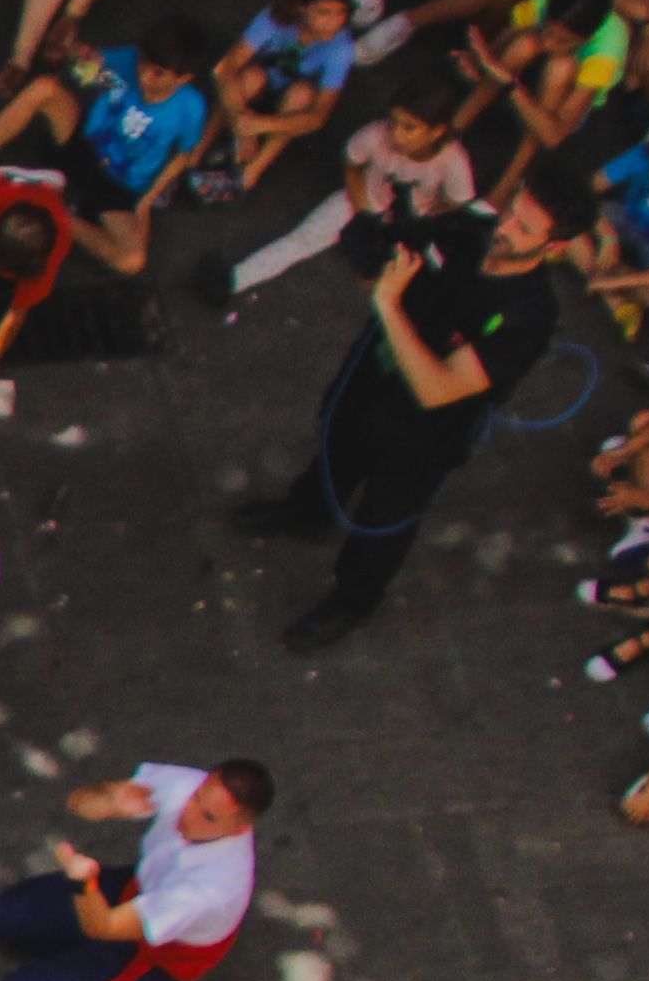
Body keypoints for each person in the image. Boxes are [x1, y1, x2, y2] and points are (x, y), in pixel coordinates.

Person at [234, 173, 569, 648]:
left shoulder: (529, 316)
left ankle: (353, 601)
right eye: (512, 211)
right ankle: (306, 512)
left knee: (382, 520)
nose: (506, 227)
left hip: (426, 432)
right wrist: (377, 243)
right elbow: (390, 255)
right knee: (335, 449)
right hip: (374, 380)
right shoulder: (469, 235)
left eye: (525, 228)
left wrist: (389, 306)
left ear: (555, 247)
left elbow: (439, 388)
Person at [0, 761, 272, 981]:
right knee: (2, 918)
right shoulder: (190, 786)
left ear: (239, 829)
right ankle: (64, 956)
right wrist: (108, 801)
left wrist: (83, 885)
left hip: (158, 953)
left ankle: (86, 976)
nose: (189, 813)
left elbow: (105, 927)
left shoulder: (210, 889)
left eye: (208, 817)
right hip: (136, 890)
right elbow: (79, 802)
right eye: (197, 797)